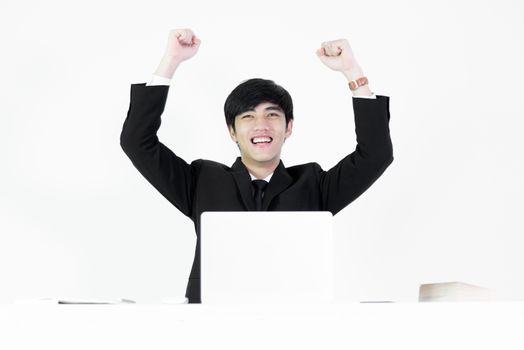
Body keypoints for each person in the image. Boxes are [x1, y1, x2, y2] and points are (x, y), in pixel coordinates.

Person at [120, 28, 394, 303]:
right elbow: (137, 142)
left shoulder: (314, 184)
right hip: (212, 324)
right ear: (232, 131)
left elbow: (376, 154)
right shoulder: (200, 181)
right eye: (248, 116)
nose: (261, 125)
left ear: (288, 128)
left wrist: (352, 72)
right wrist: (171, 61)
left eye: (272, 115)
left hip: (296, 321)